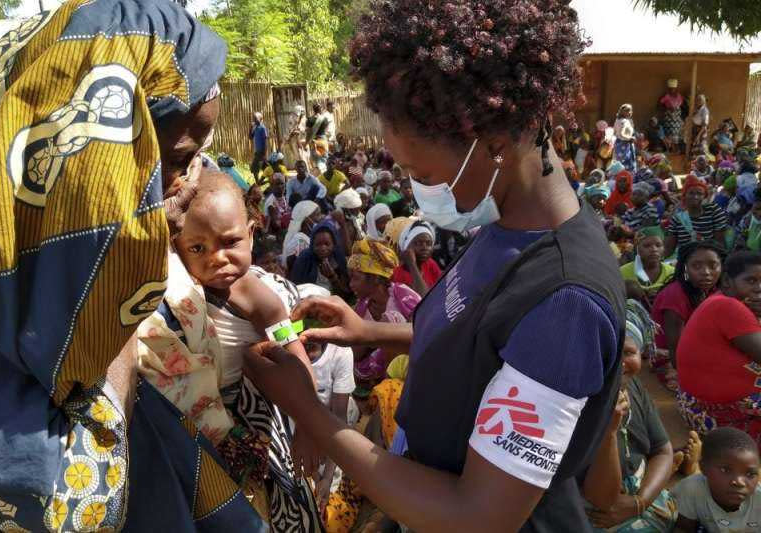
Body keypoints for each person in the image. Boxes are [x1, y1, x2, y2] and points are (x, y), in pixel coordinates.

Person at [241, 1, 626, 531]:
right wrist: (369, 332)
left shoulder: (565, 304)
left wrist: (310, 412)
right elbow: (478, 349)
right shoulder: (503, 223)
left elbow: (477, 515)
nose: (414, 189)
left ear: (493, 146)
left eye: (418, 171)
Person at [0, 0, 280, 530]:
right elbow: (80, 505)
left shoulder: (49, 274)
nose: (190, 187)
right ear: (93, 161)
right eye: (177, 161)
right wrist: (123, 294)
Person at [139, 168, 322, 529]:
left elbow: (294, 353)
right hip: (195, 434)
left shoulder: (254, 294)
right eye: (197, 248)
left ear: (251, 236)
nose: (216, 258)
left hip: (252, 433)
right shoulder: (178, 293)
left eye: (229, 242)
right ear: (175, 246)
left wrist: (309, 426)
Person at [582, 301, 677, 532]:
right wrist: (609, 431)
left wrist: (640, 502)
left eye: (628, 353)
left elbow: (663, 450)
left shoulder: (633, 387)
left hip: (636, 492)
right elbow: (602, 502)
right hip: (593, 505)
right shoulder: (576, 400)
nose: (617, 364)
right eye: (606, 352)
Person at [676, 252, 761, 444]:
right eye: (751, 280)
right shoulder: (729, 307)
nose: (759, 288)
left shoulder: (723, 300)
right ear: (727, 282)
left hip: (695, 404)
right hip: (716, 412)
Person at [650, 241, 723, 392]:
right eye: (696, 266)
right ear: (685, 268)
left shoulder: (713, 290)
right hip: (669, 357)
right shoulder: (675, 295)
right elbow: (676, 351)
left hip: (697, 349)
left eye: (713, 266)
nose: (706, 272)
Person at [346, 239, 421, 384]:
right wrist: (373, 335)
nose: (351, 285)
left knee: (392, 319)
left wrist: (379, 332)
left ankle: (392, 384)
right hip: (369, 370)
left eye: (356, 279)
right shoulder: (362, 306)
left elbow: (423, 328)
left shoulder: (401, 294)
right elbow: (354, 354)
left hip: (407, 365)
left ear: (374, 279)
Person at [672, 427, 761, 532]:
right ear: (704, 467)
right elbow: (683, 528)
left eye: (750, 474)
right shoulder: (691, 489)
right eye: (726, 470)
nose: (739, 482)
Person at [666, 175, 729, 257]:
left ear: (704, 197)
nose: (695, 197)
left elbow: (720, 243)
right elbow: (669, 248)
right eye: (691, 193)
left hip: (709, 257)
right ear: (684, 196)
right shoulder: (677, 219)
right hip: (686, 259)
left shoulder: (713, 211)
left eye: (699, 194)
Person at [289, 221, 351, 297]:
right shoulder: (304, 260)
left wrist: (332, 277)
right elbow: (297, 291)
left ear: (334, 244)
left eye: (327, 244)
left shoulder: (339, 259)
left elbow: (346, 295)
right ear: (312, 245)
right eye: (318, 244)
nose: (323, 248)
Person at [620, 226, 675, 305]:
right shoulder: (622, 273)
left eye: (658, 245)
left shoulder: (672, 273)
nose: (654, 249)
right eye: (647, 246)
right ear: (637, 249)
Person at [392, 220, 443, 296]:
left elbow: (443, 285)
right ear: (407, 247)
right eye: (418, 243)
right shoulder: (399, 275)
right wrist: (412, 264)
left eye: (429, 243)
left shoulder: (429, 263)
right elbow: (423, 299)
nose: (424, 247)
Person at [283, 199, 322, 266]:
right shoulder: (300, 241)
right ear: (306, 220)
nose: (321, 217)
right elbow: (301, 266)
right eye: (317, 215)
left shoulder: (308, 235)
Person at [659, 78, 684, 153]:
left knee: (676, 133)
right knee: (670, 133)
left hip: (676, 117)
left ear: (676, 89)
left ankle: (675, 149)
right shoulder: (667, 96)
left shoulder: (679, 96)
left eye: (673, 89)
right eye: (670, 89)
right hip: (669, 118)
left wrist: (676, 110)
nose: (672, 90)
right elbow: (660, 104)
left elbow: (681, 104)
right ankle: (670, 149)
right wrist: (668, 108)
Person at [614, 104, 637, 173]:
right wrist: (630, 138)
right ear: (622, 112)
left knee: (621, 162)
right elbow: (621, 133)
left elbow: (616, 132)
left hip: (622, 144)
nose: (629, 112)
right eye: (627, 111)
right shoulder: (623, 121)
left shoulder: (620, 120)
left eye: (630, 111)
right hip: (624, 145)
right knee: (625, 162)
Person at [286, 104, 310, 168]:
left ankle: (306, 171)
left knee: (305, 157)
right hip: (295, 140)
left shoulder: (304, 119)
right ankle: (302, 171)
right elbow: (290, 130)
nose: (302, 114)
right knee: (298, 158)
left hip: (303, 140)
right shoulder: (292, 118)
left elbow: (306, 129)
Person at [249, 111, 268, 181]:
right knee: (264, 167)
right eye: (253, 118)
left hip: (261, 151)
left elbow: (265, 141)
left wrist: (265, 153)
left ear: (260, 118)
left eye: (255, 118)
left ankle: (259, 182)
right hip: (257, 151)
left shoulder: (262, 128)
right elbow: (250, 137)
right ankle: (269, 179)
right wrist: (251, 128)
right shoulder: (255, 128)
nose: (253, 119)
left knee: (254, 168)